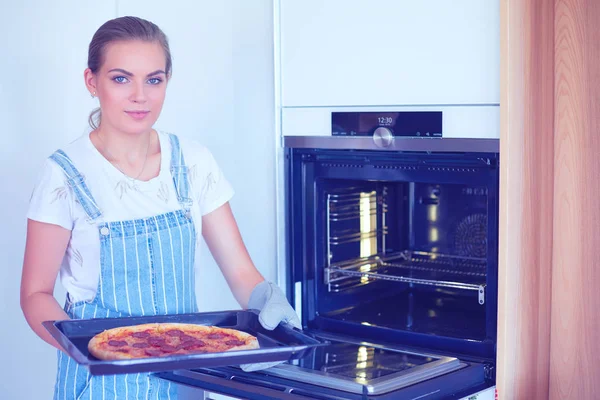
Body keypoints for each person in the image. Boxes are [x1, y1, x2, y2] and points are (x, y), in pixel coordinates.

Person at [20, 16, 300, 399]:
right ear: (92, 82)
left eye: (154, 79)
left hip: (185, 378)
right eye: (121, 78)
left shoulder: (194, 162)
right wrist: (90, 349)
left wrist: (268, 301)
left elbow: (239, 272)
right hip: (100, 385)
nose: (140, 96)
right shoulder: (64, 175)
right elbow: (35, 293)